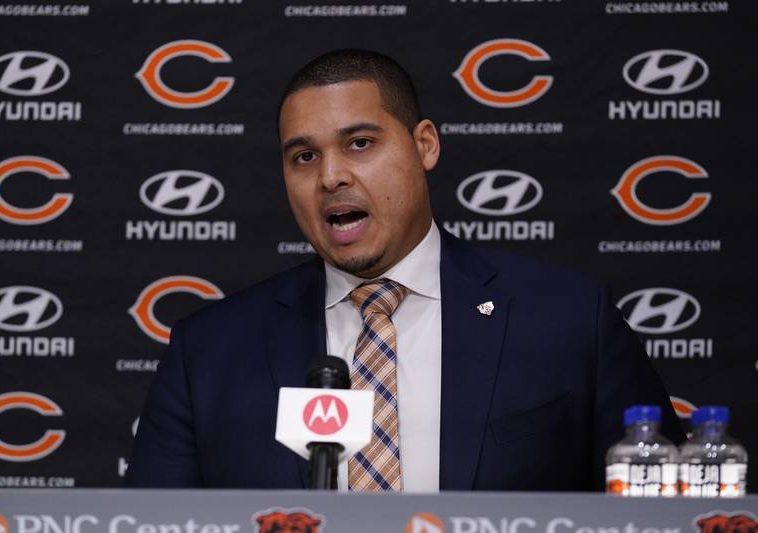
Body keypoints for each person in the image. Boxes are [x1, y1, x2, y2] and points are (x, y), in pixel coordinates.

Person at [126, 49, 685, 492]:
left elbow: (666, 509)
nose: (330, 177)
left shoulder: (568, 320)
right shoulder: (208, 351)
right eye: (303, 157)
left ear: (425, 145)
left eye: (360, 143)